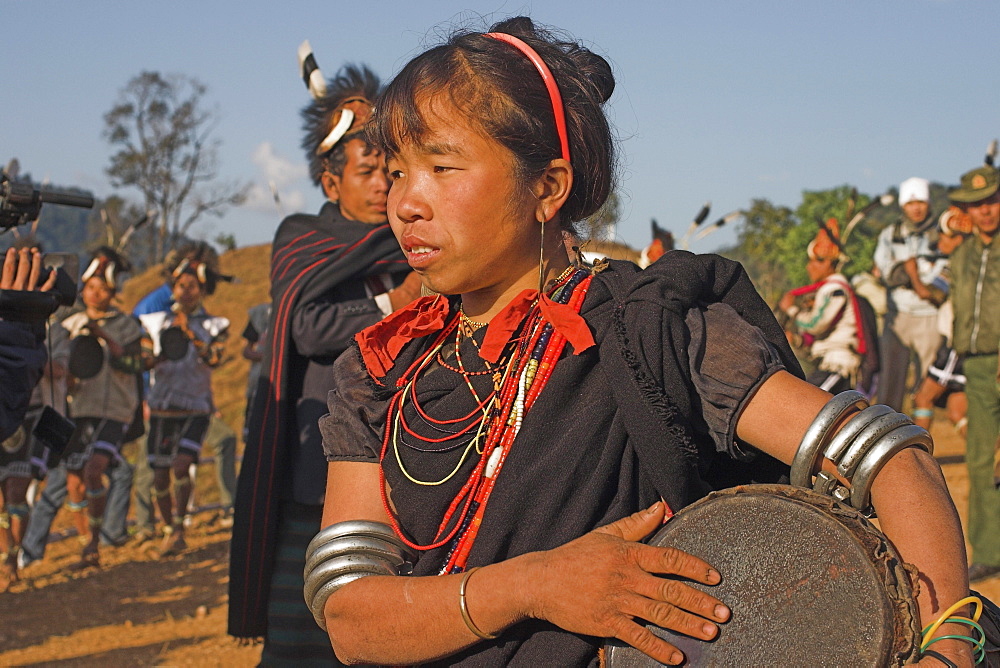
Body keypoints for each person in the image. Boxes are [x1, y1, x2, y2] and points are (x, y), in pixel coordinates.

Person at [309, 17, 970, 666]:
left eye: (442, 167)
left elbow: (889, 457)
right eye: (397, 172)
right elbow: (351, 620)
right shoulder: (381, 373)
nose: (406, 203)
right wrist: (535, 586)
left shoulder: (650, 333)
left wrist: (948, 645)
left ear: (548, 187)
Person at [227, 59, 419, 660]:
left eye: (390, 170)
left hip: (405, 470)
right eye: (366, 172)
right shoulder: (303, 237)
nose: (382, 186)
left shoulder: (418, 237)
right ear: (330, 181)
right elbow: (307, 329)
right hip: (314, 475)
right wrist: (399, 301)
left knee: (387, 634)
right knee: (299, 641)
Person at [130, 243, 237, 541]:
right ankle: (167, 526)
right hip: (162, 407)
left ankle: (178, 525)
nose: (185, 291)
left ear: (203, 290)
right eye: (180, 285)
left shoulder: (214, 325)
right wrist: (158, 355)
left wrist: (191, 334)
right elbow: (142, 358)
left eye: (192, 286)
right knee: (160, 474)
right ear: (172, 288)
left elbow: (214, 359)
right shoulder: (154, 323)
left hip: (196, 409)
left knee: (182, 465)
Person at [60, 247, 145, 568]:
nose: (95, 294)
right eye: (91, 288)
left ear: (114, 291)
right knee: (74, 482)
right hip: (76, 409)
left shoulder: (126, 326)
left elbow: (136, 363)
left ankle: (94, 544)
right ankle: (86, 542)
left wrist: (106, 339)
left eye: (103, 289)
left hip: (115, 410)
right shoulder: (68, 323)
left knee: (94, 470)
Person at [947, 165, 1000, 583]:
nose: (986, 211)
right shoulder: (961, 254)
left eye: (993, 201)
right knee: (981, 459)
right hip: (978, 366)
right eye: (978, 204)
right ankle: (988, 550)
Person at [874, 177, 945, 411]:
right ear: (903, 206)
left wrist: (906, 271)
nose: (916, 208)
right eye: (911, 203)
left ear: (929, 204)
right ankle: (887, 438)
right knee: (890, 382)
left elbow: (942, 277)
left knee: (926, 385)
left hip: (930, 317)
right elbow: (886, 272)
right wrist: (916, 276)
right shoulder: (889, 233)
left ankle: (922, 440)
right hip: (898, 316)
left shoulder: (941, 234)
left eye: (921, 202)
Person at [778, 220, 860, 393]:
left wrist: (791, 310)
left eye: (814, 261)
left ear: (827, 263)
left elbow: (816, 324)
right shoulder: (826, 289)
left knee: (805, 407)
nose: (809, 267)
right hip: (825, 364)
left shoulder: (835, 289)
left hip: (837, 365)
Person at [912, 209, 972, 437]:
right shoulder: (974, 264)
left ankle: (917, 455)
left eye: (944, 235)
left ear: (958, 238)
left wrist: (910, 273)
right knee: (957, 412)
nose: (940, 241)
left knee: (923, 397)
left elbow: (934, 293)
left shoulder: (956, 264)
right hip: (968, 343)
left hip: (956, 345)